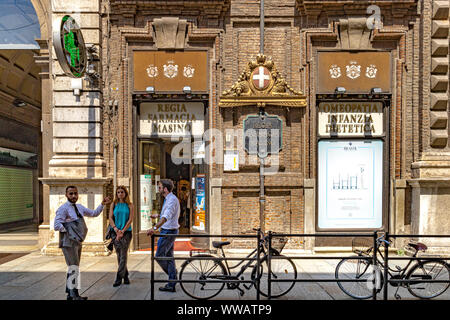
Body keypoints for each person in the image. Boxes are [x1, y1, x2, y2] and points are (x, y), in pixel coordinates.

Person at [54, 186, 111, 300]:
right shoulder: (63, 208)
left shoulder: (79, 207)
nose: (74, 196)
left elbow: (94, 213)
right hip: (69, 242)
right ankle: (74, 295)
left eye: (75, 193)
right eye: (71, 194)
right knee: (73, 267)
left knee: (73, 267)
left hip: (77, 242)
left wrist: (102, 204)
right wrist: (70, 231)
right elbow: (57, 225)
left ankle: (70, 294)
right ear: (66, 195)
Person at [147, 179, 180, 292]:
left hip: (168, 232)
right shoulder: (169, 199)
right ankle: (171, 283)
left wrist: (154, 228)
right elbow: (165, 214)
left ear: (165, 189)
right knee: (169, 257)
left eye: (160, 187)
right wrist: (157, 215)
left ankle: (173, 276)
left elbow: (166, 217)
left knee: (159, 255)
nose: (159, 189)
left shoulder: (171, 200)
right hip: (168, 230)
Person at [109, 185, 134, 287]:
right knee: (119, 254)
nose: (120, 194)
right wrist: (116, 229)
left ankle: (119, 278)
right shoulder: (113, 204)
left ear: (125, 193)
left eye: (122, 192)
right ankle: (126, 275)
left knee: (123, 254)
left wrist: (122, 231)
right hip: (114, 231)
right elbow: (110, 218)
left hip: (126, 232)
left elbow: (130, 219)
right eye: (118, 192)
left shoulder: (130, 205)